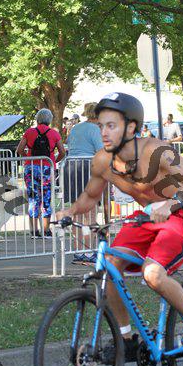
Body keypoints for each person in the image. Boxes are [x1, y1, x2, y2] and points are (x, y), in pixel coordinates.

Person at [57, 92, 183, 366]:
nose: (104, 132)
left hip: (179, 215)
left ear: (131, 127)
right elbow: (90, 196)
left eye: (111, 125)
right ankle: (127, 339)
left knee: (153, 274)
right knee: (109, 266)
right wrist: (70, 212)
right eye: (101, 126)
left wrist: (170, 204)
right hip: (145, 217)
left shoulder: (157, 151)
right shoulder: (102, 161)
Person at [16, 108, 65, 238]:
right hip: (47, 168)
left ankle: (34, 231)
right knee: (46, 199)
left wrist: (28, 158)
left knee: (33, 198)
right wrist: (53, 161)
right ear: (50, 120)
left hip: (31, 168)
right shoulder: (54, 133)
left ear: (37, 119)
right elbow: (62, 152)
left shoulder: (29, 132)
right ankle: (46, 230)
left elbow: (19, 149)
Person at [66, 102, 104, 264]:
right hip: (87, 168)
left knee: (77, 212)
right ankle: (88, 252)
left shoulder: (76, 128)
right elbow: (101, 151)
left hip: (71, 168)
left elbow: (69, 145)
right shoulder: (95, 129)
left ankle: (78, 251)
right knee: (90, 212)